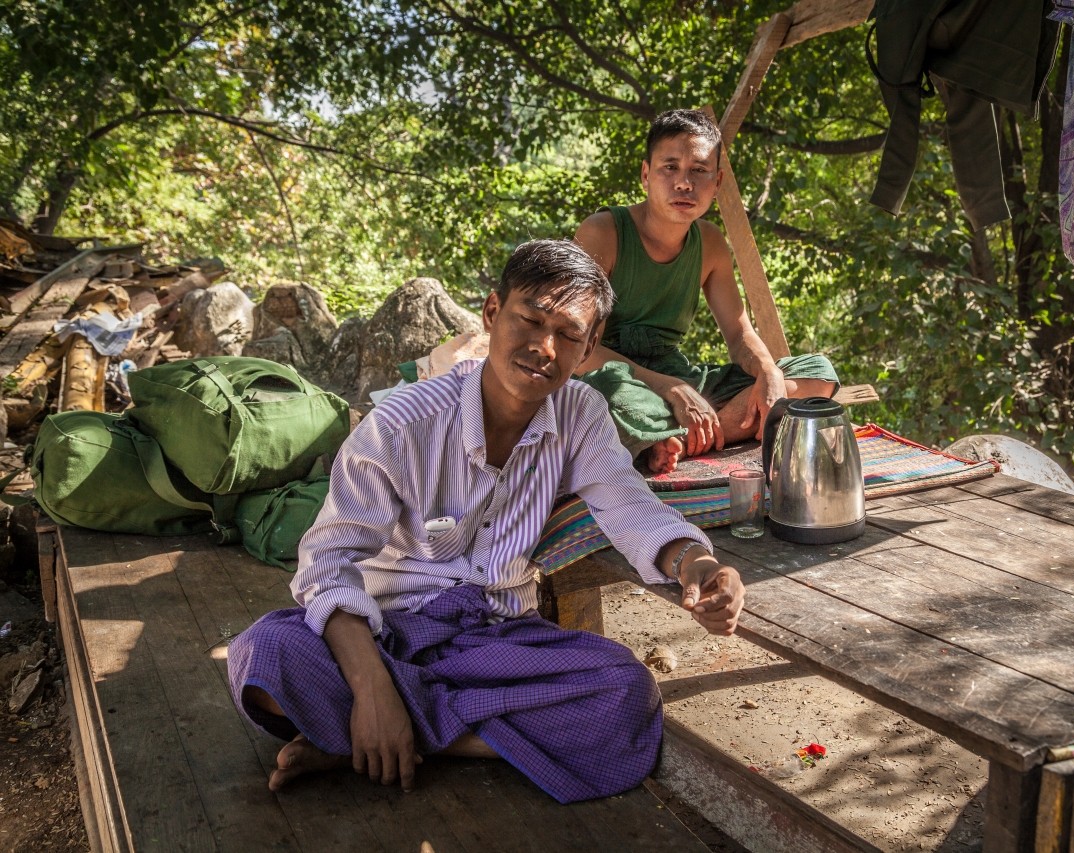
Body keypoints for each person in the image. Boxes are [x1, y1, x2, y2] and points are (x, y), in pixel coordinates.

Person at [227, 239, 745, 804]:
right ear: (493, 313)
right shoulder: (402, 424)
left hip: (497, 639)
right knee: (266, 651)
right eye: (530, 319)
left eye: (569, 334)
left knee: (625, 691)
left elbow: (630, 508)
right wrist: (373, 688)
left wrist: (697, 562)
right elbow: (328, 565)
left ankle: (370, 739)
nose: (544, 347)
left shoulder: (581, 414)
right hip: (393, 631)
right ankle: (396, 723)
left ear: (591, 345)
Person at [573, 108, 839, 474]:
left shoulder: (710, 242)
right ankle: (685, 429)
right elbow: (578, 350)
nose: (684, 183)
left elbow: (739, 332)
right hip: (612, 377)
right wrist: (673, 390)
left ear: (717, 183)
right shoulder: (603, 232)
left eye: (699, 171)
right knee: (603, 398)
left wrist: (768, 374)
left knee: (816, 374)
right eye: (670, 168)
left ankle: (673, 440)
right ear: (646, 175)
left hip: (676, 374)